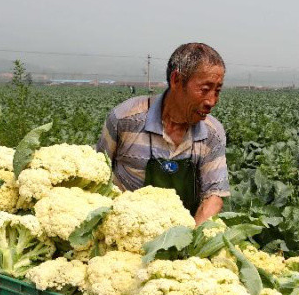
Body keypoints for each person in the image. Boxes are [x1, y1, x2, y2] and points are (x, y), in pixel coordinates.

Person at [97, 43, 229, 224]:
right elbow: (98, 176)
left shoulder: (212, 133)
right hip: (123, 232)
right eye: (205, 90)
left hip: (181, 236)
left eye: (218, 91)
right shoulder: (125, 119)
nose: (212, 101)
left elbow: (214, 197)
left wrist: (192, 243)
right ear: (176, 80)